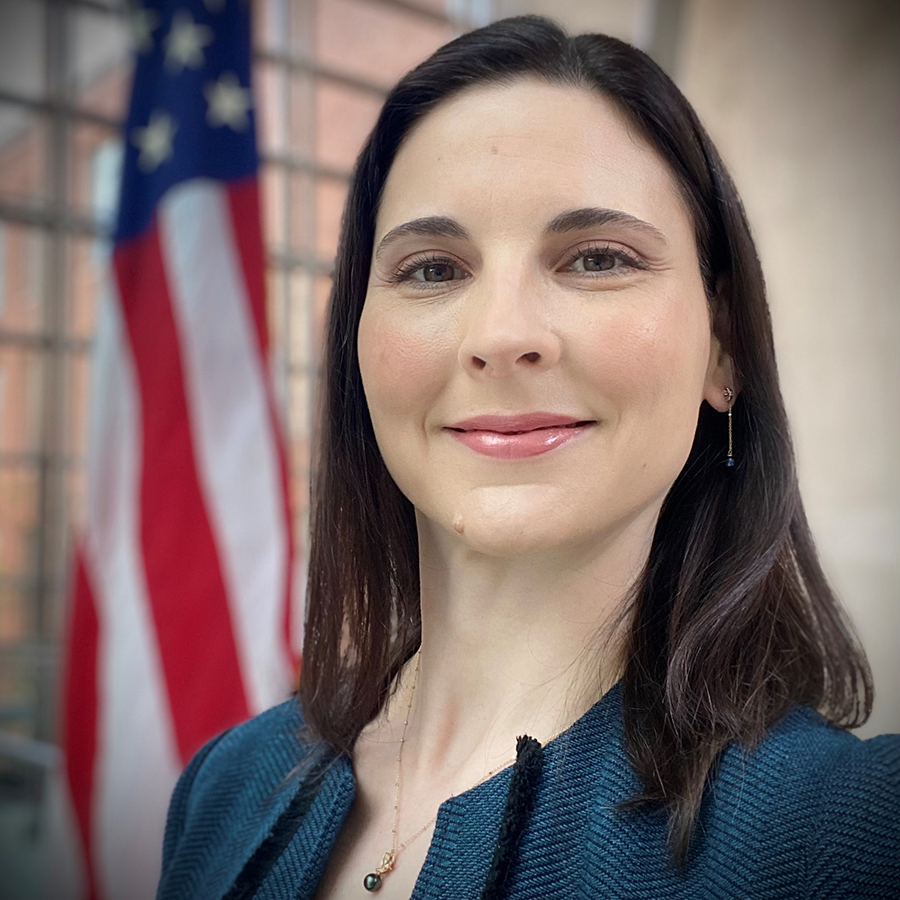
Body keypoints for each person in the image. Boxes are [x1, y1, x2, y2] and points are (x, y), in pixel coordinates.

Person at [155, 15, 900, 900]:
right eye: (432, 269)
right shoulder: (222, 788)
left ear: (724, 347)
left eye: (595, 258)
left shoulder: (853, 832)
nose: (502, 336)